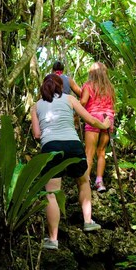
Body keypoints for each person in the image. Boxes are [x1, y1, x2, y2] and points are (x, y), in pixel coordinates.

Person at [30, 74, 111, 250]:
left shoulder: (36, 106)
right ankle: (88, 221)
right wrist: (104, 125)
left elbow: (36, 134)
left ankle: (53, 240)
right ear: (60, 86)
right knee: (83, 182)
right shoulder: (69, 99)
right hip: (73, 146)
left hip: (51, 148)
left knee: (51, 193)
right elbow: (89, 119)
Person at [80, 62, 116, 193]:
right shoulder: (110, 87)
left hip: (93, 118)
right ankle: (99, 181)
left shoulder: (88, 86)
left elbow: (83, 102)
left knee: (89, 152)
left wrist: (76, 113)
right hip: (108, 118)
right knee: (101, 152)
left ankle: (86, 182)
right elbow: (113, 105)